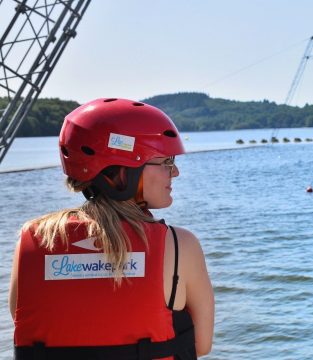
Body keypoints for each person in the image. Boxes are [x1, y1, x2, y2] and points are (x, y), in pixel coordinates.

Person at [8, 98, 214, 359]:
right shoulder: (178, 244)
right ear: (121, 172)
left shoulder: (34, 239)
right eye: (166, 162)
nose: (175, 173)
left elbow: (24, 322)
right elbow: (200, 344)